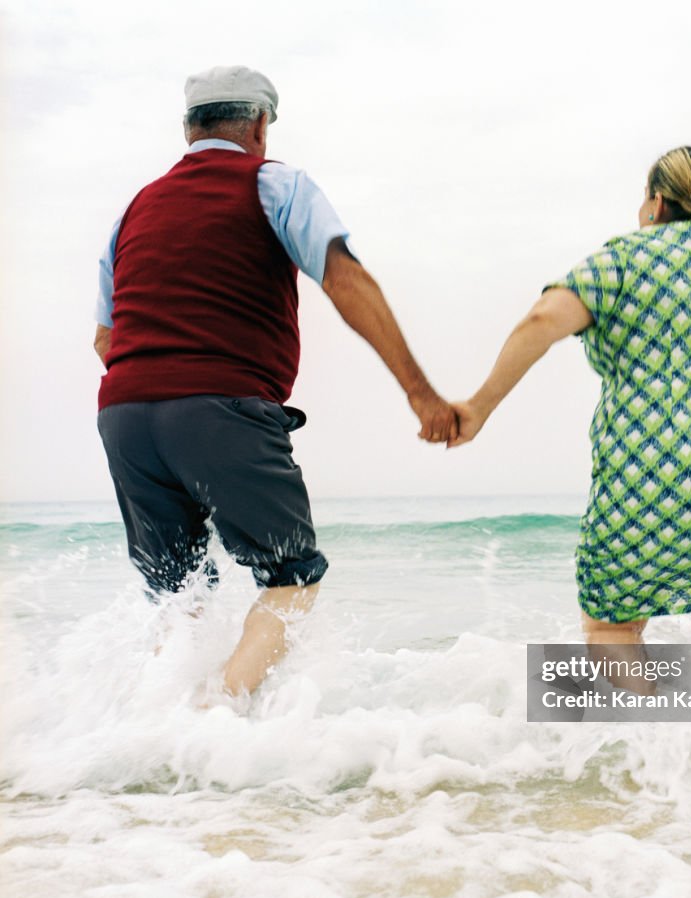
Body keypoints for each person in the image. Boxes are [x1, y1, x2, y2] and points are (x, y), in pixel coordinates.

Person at [94, 65, 456, 705]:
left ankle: (155, 728)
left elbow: (106, 338)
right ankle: (218, 712)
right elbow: (345, 281)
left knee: (179, 593)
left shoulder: (134, 208)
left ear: (188, 128)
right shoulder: (275, 183)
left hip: (124, 415)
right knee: (292, 575)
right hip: (221, 407)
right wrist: (421, 393)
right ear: (260, 125)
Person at [450, 145, 691, 649]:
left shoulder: (625, 260)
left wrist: (478, 407)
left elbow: (542, 320)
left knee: (612, 627)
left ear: (656, 203)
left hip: (652, 474)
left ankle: (638, 731)